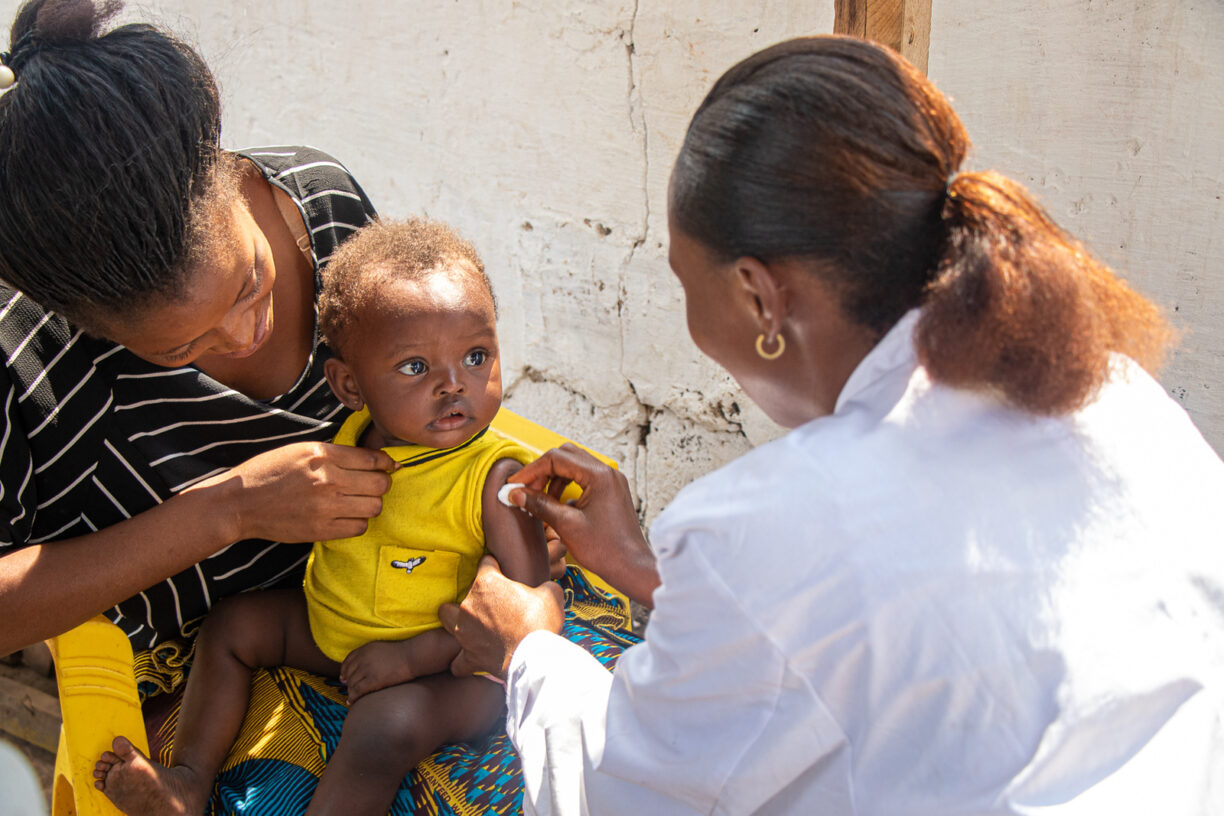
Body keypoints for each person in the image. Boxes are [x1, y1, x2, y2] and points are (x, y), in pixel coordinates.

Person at [438, 36, 1224, 814]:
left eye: (684, 280)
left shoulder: (770, 523)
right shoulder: (1119, 398)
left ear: (759, 296)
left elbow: (625, 792)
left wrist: (527, 650)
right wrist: (647, 570)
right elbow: (874, 630)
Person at [0, 1, 636, 812]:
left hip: (416, 623)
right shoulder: (25, 364)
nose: (242, 335)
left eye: (250, 282)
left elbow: (431, 413)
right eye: (178, 349)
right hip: (222, 649)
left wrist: (463, 604)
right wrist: (226, 512)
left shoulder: (322, 208)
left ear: (226, 167)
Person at [93, 218, 550, 816]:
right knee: (233, 627)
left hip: (457, 677)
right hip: (338, 633)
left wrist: (412, 659)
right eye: (415, 367)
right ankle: (187, 781)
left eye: (476, 355)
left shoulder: (493, 480)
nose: (453, 385)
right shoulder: (353, 437)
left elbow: (525, 625)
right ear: (350, 386)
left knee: (384, 723)